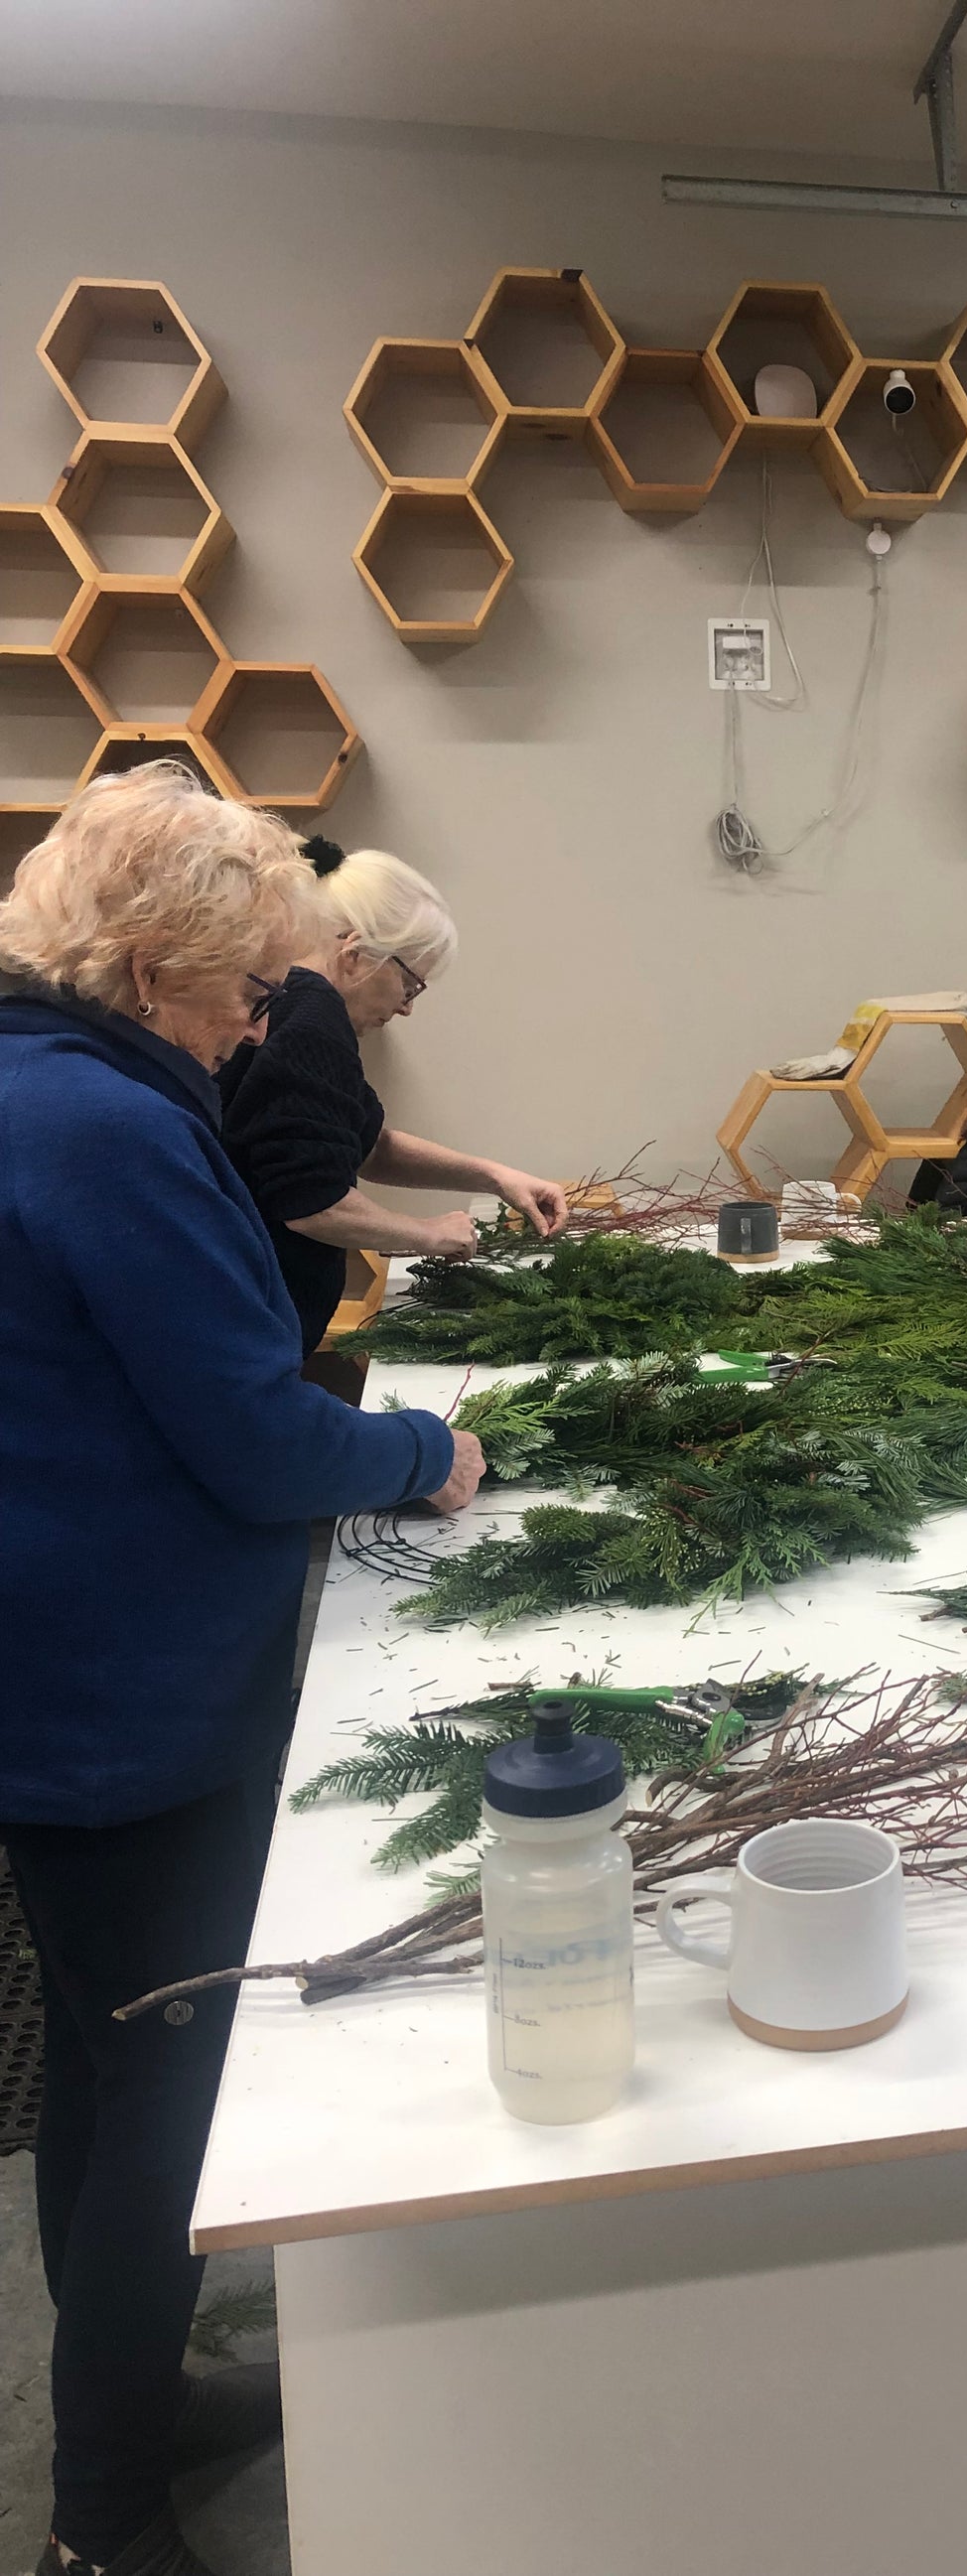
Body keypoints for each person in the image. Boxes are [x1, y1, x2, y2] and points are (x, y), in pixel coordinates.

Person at [0, 765, 486, 2576]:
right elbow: (255, 1436)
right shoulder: (107, 1129)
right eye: (234, 994)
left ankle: (128, 2400)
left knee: (107, 2072)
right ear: (142, 972)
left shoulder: (34, 1080)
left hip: (53, 1679)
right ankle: (107, 2520)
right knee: (170, 2085)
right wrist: (424, 1455)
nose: (249, 1028)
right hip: (126, 1695)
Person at [217, 837, 571, 1357]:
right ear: (357, 951)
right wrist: (424, 1233)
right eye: (411, 986)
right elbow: (310, 1204)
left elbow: (368, 1144)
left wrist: (495, 1175)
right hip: (250, 1321)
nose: (407, 1009)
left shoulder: (297, 1006)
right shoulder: (312, 1020)